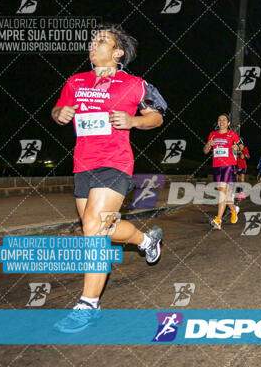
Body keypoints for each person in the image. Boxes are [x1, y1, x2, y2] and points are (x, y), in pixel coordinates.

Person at [51, 24, 165, 333]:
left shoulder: (134, 84)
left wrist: (134, 120)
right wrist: (59, 113)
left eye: (101, 40)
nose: (92, 44)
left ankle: (88, 305)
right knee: (105, 227)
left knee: (93, 227)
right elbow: (59, 109)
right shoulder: (76, 81)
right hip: (83, 164)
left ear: (117, 52)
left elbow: (157, 116)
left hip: (115, 162)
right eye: (92, 40)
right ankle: (146, 239)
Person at [203, 113, 242, 230]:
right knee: (226, 194)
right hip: (217, 166)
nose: (221, 122)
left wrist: (237, 148)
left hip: (229, 166)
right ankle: (233, 209)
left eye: (224, 120)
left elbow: (241, 146)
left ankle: (218, 219)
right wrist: (208, 145)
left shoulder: (232, 134)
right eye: (219, 120)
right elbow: (205, 151)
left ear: (228, 123)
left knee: (222, 191)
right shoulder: (212, 134)